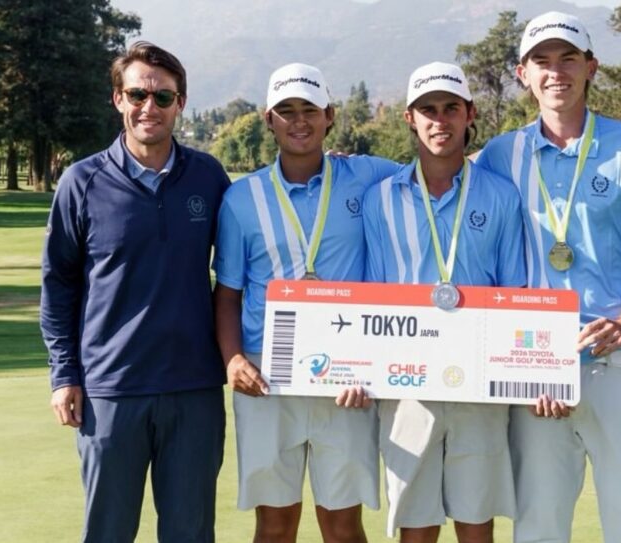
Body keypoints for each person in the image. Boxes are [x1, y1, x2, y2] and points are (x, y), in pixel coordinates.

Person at [476, 11, 621, 543]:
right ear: (521, 73)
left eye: (568, 58)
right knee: (540, 526)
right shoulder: (501, 155)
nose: (556, 72)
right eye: (542, 61)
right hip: (534, 367)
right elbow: (437, 181)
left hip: (618, 360)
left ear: (591, 66)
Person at [40, 41, 228, 542]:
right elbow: (58, 285)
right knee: (108, 533)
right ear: (118, 99)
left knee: (190, 533)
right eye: (138, 94)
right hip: (110, 392)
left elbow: (243, 266)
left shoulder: (209, 178)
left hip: (194, 389)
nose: (150, 107)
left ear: (181, 103)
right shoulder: (80, 182)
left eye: (163, 97)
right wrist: (64, 375)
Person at [213, 62, 400, 543]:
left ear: (330, 116)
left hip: (347, 374)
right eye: (287, 111)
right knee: (275, 524)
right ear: (268, 119)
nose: (299, 121)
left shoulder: (368, 176)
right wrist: (233, 359)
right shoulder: (241, 199)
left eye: (310, 110)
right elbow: (228, 292)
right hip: (266, 377)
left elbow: (433, 169)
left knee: (342, 524)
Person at [362, 61, 527, 543]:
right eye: (427, 110)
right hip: (405, 384)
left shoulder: (499, 195)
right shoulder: (380, 199)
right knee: (416, 529)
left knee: (476, 526)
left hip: (479, 385)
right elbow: (375, 296)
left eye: (451, 108)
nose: (440, 120)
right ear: (409, 118)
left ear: (469, 113)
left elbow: (512, 292)